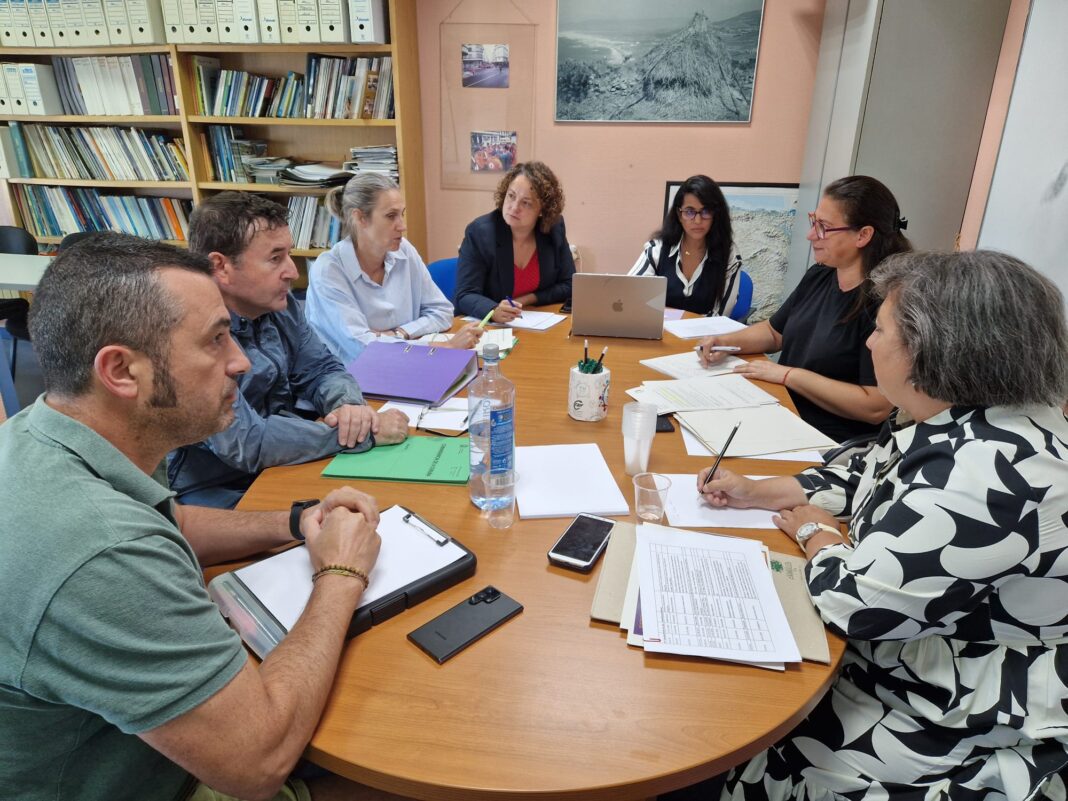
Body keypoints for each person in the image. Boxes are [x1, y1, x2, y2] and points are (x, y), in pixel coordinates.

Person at [0, 232, 407, 801]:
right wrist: (342, 573)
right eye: (216, 340)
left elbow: (174, 525)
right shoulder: (101, 553)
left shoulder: (48, 429)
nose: (241, 362)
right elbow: (258, 760)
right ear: (121, 370)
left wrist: (297, 522)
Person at [695, 250, 1068, 800]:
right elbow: (866, 474)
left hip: (958, 711)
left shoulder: (991, 473)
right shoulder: (964, 416)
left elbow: (857, 607)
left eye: (881, 330)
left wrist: (817, 536)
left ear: (934, 349)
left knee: (734, 723)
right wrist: (758, 491)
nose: (869, 343)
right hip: (921, 657)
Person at [168, 192, 407, 509]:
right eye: (275, 258)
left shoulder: (277, 305)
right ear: (220, 266)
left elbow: (321, 368)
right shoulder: (190, 333)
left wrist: (350, 408)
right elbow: (247, 443)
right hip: (214, 488)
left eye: (289, 254)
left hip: (283, 461)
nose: (293, 272)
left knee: (387, 503)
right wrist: (363, 434)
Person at [698, 175, 909, 442]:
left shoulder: (885, 304)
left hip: (827, 439)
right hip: (783, 412)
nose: (811, 235)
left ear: (863, 235)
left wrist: (789, 375)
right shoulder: (820, 275)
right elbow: (775, 333)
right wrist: (726, 342)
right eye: (814, 222)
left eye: (824, 227)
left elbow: (875, 406)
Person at [305, 173, 480, 366]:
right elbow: (364, 349)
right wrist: (443, 347)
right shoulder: (328, 271)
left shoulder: (404, 249)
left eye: (401, 214)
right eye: (391, 216)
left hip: (406, 364)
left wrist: (400, 333)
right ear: (360, 217)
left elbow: (442, 311)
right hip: (349, 375)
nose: (402, 226)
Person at [454, 161, 576, 322]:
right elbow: (464, 294)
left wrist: (527, 299)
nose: (514, 207)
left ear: (542, 210)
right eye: (511, 196)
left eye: (526, 203)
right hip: (488, 327)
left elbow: (570, 285)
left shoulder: (553, 230)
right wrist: (493, 310)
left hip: (532, 320)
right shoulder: (480, 233)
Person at [628, 174, 741, 317]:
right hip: (661, 329)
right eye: (689, 212)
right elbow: (629, 295)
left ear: (716, 215)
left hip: (704, 330)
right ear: (679, 215)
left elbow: (721, 317)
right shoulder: (658, 249)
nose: (698, 220)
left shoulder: (729, 255)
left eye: (706, 211)